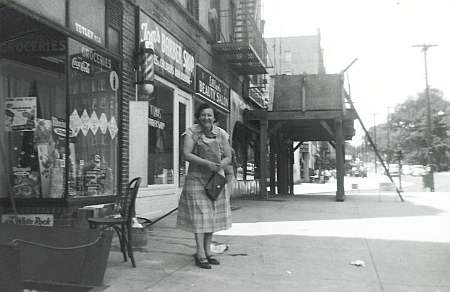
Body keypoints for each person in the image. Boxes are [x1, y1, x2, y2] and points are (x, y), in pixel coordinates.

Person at [177, 103, 232, 269]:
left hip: (215, 179)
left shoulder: (221, 134)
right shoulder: (192, 132)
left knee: (212, 215)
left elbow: (228, 156)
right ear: (198, 117)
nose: (206, 118)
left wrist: (219, 165)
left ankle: (208, 251)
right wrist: (207, 163)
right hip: (196, 178)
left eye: (209, 115)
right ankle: (200, 252)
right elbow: (186, 154)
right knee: (199, 216)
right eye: (203, 115)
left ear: (214, 118)